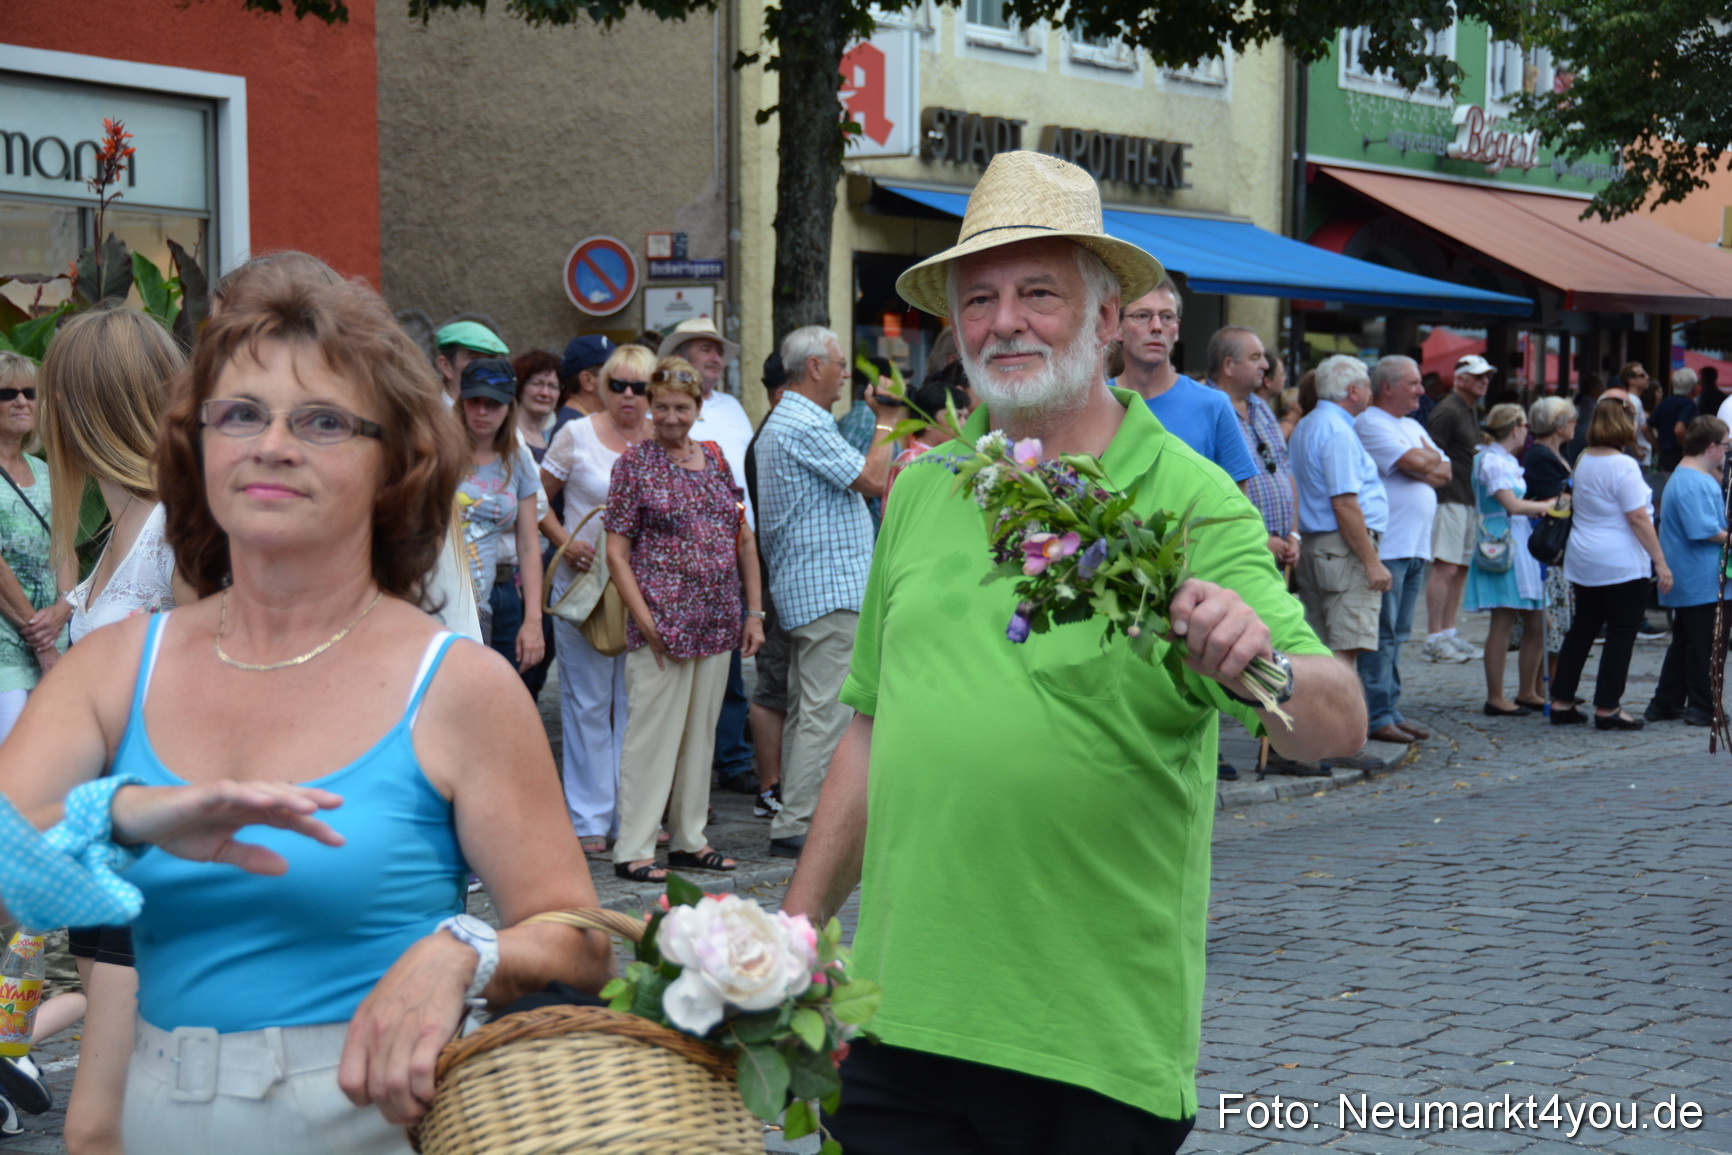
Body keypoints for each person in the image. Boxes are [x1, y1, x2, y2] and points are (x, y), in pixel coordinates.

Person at [781, 149, 1362, 1155]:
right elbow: (872, 730)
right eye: (978, 299)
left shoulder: (1187, 499)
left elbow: (1337, 720)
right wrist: (792, 939)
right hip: (895, 1026)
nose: (1003, 321)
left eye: (1038, 293)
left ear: (1105, 321)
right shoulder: (924, 486)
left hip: (1091, 1051)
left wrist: (1252, 650)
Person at [4, 268, 615, 1151]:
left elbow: (581, 941)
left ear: (394, 461)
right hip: (160, 1115)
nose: (272, 444)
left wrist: (467, 950)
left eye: (322, 420)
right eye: (239, 414)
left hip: (368, 1118)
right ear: (198, 447)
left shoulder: (457, 685)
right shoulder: (114, 665)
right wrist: (127, 814)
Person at [38, 302, 194, 1155]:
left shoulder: (176, 527)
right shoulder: (119, 526)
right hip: (106, 845)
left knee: (103, 1125)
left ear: (81, 405)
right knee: (127, 1120)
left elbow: (213, 684)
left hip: (156, 853)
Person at [605, 358, 765, 883]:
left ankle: (689, 839)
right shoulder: (634, 464)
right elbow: (616, 553)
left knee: (700, 738)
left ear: (698, 408)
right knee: (652, 738)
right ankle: (634, 847)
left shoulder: (715, 457)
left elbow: (743, 538)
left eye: (682, 407)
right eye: (662, 407)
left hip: (717, 621)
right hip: (662, 626)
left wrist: (754, 612)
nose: (671, 417)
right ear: (650, 407)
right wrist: (645, 620)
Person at [755, 326, 895, 858]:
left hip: (813, 588)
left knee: (807, 709)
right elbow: (874, 478)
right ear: (813, 367)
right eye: (839, 364)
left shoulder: (790, 419)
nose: (845, 374)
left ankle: (796, 815)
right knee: (824, 711)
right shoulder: (804, 421)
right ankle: (799, 823)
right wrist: (888, 419)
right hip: (827, 589)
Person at [539, 343, 653, 852]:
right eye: (618, 385)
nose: (629, 396)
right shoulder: (576, 434)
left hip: (644, 590)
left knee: (637, 703)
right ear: (602, 387)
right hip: (584, 588)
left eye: (640, 387)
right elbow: (535, 499)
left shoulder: (661, 438)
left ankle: (634, 815)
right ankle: (588, 819)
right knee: (586, 702)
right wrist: (564, 542)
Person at [656, 317, 758, 797]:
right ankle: (684, 771)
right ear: (682, 358)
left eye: (718, 350)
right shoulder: (665, 410)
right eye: (705, 349)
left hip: (735, 544)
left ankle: (732, 756)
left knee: (729, 664)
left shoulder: (733, 407)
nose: (715, 357)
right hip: (679, 559)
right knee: (682, 670)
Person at [1548, 399, 1673, 728]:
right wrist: (1660, 562)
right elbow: (1638, 518)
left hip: (1584, 556)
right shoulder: (1624, 466)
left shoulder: (1584, 459)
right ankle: (1608, 707)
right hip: (1620, 560)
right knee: (1621, 633)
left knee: (1582, 629)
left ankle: (1561, 700)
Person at [1354, 355, 1451, 744]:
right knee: (1382, 634)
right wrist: (1425, 460)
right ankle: (1376, 713)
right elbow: (1414, 462)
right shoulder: (1370, 422)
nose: (1421, 390)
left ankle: (1390, 708)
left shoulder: (1411, 425)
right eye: (1413, 383)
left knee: (1399, 633)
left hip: (1414, 546)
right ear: (1388, 387)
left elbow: (1445, 472)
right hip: (1389, 545)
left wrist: (1424, 462)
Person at [1289, 355, 1390, 666]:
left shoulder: (1307, 424)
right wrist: (1371, 562)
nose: (1371, 393)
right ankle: (1338, 700)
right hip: (1342, 549)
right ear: (1353, 391)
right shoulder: (1337, 431)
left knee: (1320, 646)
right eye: (1367, 386)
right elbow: (1344, 504)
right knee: (1344, 648)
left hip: (1319, 544)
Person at [1116, 288, 1257, 488]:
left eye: (1167, 317)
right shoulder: (1097, 403)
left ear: (1177, 329)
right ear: (1116, 328)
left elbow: (1238, 499)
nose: (1156, 326)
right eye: (1142, 316)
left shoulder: (1213, 405)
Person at [455, 358, 545, 668]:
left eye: (493, 403)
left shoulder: (518, 461)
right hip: (437, 602)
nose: (482, 411)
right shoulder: (437, 452)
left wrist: (533, 620)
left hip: (484, 604)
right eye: (474, 401)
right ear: (462, 402)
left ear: (509, 407)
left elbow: (529, 545)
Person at [0, 354, 71, 740]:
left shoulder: (44, 471)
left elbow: (64, 547)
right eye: (6, 393)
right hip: (8, 652)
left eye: (29, 393)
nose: (21, 401)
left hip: (54, 640)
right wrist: (40, 639)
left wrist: (65, 606)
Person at [1464, 404, 1552, 715]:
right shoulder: (1491, 460)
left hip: (1516, 539)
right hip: (1501, 541)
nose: (1528, 431)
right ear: (1515, 428)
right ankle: (1496, 696)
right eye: (1525, 425)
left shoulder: (1505, 460)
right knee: (1502, 620)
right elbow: (1512, 505)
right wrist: (1548, 505)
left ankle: (1526, 691)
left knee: (1538, 621)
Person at [1645, 416, 1729, 726]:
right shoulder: (1694, 482)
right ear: (1711, 446)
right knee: (1707, 645)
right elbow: (1704, 530)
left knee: (1686, 642)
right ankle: (1703, 707)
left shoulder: (1689, 476)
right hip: (1700, 578)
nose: (1727, 452)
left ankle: (1665, 702)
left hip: (1695, 576)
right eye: (1726, 446)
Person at [743, 352, 792, 823]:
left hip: (779, 575)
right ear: (783, 392)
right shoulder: (772, 437)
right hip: (775, 576)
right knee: (772, 684)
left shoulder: (770, 433)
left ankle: (778, 783)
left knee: (781, 682)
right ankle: (769, 786)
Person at [1424, 353, 1493, 663]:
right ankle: (1434, 637)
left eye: (1486, 376)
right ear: (1460, 379)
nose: (1485, 381)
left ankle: (1448, 631)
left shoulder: (1467, 409)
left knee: (1460, 568)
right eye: (1478, 376)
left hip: (1466, 497)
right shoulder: (1448, 410)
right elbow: (1431, 454)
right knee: (1446, 567)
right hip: (1449, 497)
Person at [1526, 396, 1579, 673]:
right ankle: (1542, 685)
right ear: (1559, 425)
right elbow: (1556, 499)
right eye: (1572, 419)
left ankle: (1548, 684)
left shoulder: (1557, 454)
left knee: (1559, 624)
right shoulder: (1540, 456)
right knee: (1552, 624)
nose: (1575, 424)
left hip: (1560, 544)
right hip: (1547, 545)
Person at [432, 319, 510, 404]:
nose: (485, 367)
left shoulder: (498, 409)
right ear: (446, 366)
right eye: (474, 359)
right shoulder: (428, 410)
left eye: (490, 360)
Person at [1649, 367, 1699, 474]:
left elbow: (1645, 427)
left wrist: (1658, 446)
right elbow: (1679, 429)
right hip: (1679, 457)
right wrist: (1687, 449)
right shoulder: (1689, 405)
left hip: (1664, 457)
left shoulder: (1665, 402)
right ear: (1692, 387)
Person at [558, 334, 613, 424]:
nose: (619, 380)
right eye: (611, 374)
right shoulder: (573, 427)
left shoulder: (582, 421)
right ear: (587, 381)